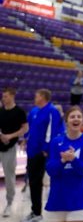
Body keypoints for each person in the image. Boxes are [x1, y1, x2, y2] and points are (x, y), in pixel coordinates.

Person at [44, 106, 83, 222]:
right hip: (57, 197)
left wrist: (73, 159)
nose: (76, 119)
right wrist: (62, 161)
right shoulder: (56, 142)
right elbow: (51, 170)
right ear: (66, 121)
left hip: (78, 197)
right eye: (72, 117)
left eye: (79, 117)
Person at [22, 89, 63, 222]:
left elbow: (53, 131)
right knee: (33, 182)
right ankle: (35, 211)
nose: (34, 97)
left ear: (43, 97)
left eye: (37, 95)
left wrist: (46, 149)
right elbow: (29, 128)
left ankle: (39, 212)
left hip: (42, 152)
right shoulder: (34, 111)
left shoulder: (52, 111)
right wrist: (25, 139)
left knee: (39, 181)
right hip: (32, 151)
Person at [0, 88, 28, 217]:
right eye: (3, 96)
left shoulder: (19, 112)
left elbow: (25, 128)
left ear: (12, 96)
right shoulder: (1, 110)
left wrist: (10, 136)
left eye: (5, 96)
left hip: (9, 148)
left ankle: (9, 204)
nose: (3, 98)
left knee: (9, 176)